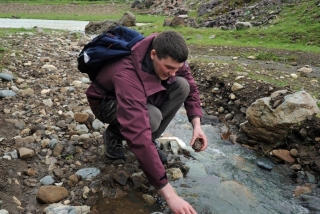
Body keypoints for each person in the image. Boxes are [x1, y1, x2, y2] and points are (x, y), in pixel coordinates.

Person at [85, 30, 208, 214]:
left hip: (141, 93)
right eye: (169, 68)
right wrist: (170, 195)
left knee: (183, 85)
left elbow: (191, 89)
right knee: (151, 117)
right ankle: (113, 135)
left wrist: (197, 125)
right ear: (153, 55)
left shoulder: (170, 54)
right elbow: (138, 133)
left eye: (177, 68)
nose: (173, 72)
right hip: (106, 102)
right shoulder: (126, 72)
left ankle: (151, 142)